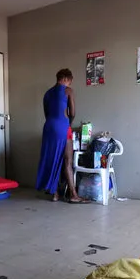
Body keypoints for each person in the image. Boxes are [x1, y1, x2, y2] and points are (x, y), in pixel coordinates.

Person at [36, 69, 87, 203]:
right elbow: (73, 112)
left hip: (48, 127)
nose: (70, 84)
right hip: (62, 127)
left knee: (53, 159)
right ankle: (73, 194)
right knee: (67, 161)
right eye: (70, 81)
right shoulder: (68, 91)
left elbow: (46, 114)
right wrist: (68, 123)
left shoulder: (47, 93)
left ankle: (55, 193)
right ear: (66, 79)